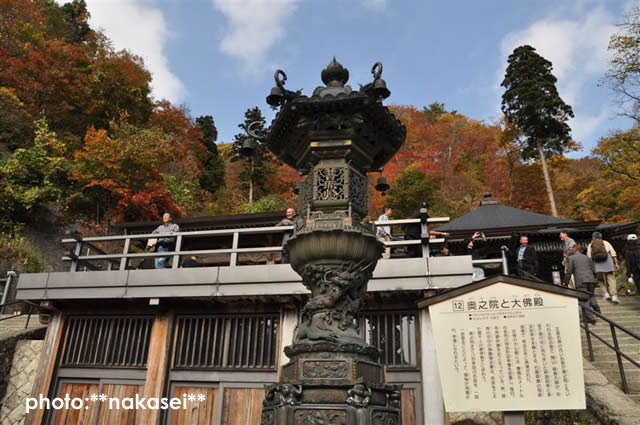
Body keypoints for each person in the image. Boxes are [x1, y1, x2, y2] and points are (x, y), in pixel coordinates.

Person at [564, 244, 600, 324]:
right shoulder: (587, 258)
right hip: (591, 279)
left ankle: (590, 318)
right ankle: (597, 310)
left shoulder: (571, 258)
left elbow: (569, 271)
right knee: (591, 295)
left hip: (581, 280)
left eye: (573, 249)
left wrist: (565, 283)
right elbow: (593, 270)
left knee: (584, 299)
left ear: (575, 249)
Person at [587, 232, 620, 304]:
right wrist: (616, 264)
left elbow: (589, 257)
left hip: (597, 263)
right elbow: (613, 253)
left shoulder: (591, 245)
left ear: (593, 237)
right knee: (611, 278)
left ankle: (606, 294)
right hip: (607, 260)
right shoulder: (605, 242)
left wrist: (591, 267)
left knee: (600, 279)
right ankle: (614, 296)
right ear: (600, 237)